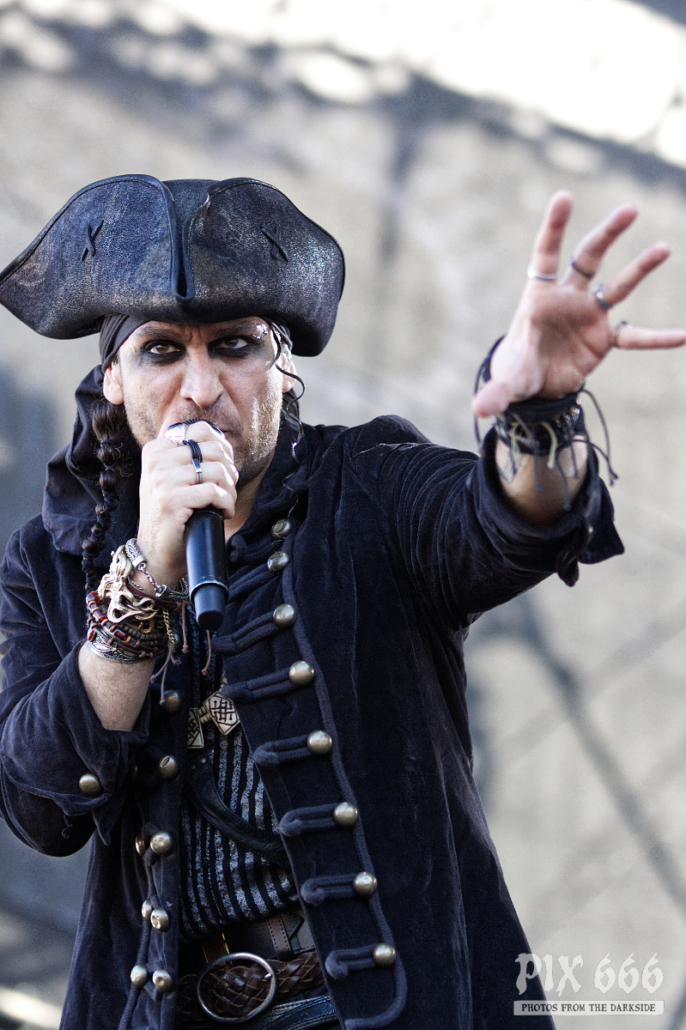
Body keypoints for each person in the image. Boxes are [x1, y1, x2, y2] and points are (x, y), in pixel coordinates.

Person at [0, 175, 682, 1030]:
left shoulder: (370, 484)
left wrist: (536, 416)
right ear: (112, 380)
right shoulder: (53, 559)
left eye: (236, 346)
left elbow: (506, 523)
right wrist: (141, 580)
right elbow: (39, 806)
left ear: (284, 370)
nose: (201, 387)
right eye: (162, 352)